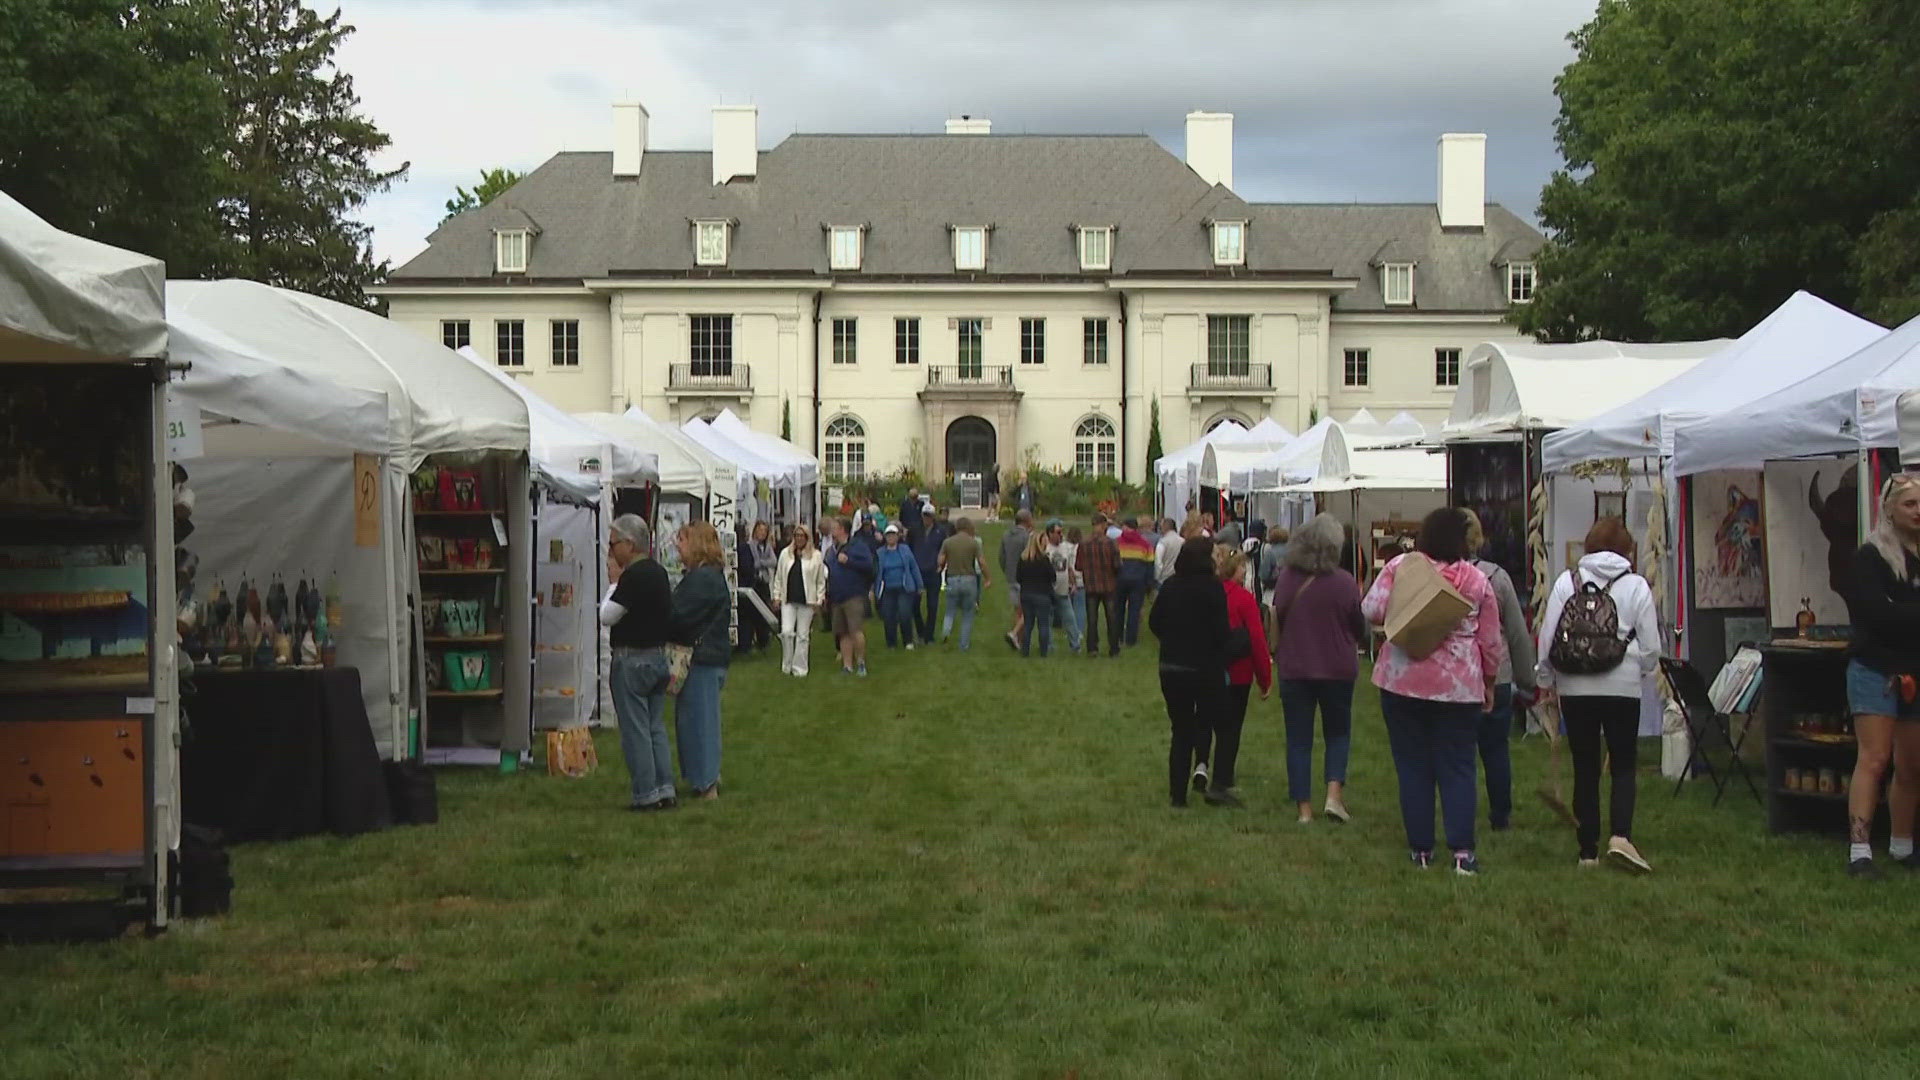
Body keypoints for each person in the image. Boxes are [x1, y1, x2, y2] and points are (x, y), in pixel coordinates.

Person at [1360, 507, 1505, 875]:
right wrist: (1488, 682)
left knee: (1412, 766)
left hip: (1402, 679)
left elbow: (1372, 609)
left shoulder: (1402, 567)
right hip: (1459, 686)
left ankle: (1421, 849)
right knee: (1458, 767)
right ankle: (1462, 852)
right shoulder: (1476, 580)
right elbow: (1490, 640)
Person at [1536, 517, 1663, 872]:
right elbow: (1652, 647)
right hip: (1623, 687)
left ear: (1588, 546)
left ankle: (1587, 850)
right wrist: (1637, 667)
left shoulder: (1568, 581)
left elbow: (1548, 637)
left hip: (1575, 687)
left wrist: (1547, 678)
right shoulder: (1636, 585)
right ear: (1627, 550)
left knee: (1585, 765)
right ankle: (1620, 837)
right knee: (1623, 763)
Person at [1839, 474, 1920, 877]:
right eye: (1910, 504)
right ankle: (1860, 852)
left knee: (1912, 764)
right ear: (1889, 509)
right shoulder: (1869, 557)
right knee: (1874, 758)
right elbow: (1877, 615)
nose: (1919, 511)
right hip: (1874, 667)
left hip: (1915, 669)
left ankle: (1902, 846)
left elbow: (1896, 614)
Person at [1272, 513, 1366, 825]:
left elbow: (1279, 614)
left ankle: (1304, 810)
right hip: (1337, 667)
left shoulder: (1287, 578)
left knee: (1298, 739)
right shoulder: (1345, 582)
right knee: (1338, 732)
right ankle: (1334, 795)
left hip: (1295, 665)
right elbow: (1358, 624)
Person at [1463, 509, 1537, 831]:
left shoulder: (1435, 577)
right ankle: (1500, 815)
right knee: (1495, 750)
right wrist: (1528, 681)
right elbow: (1518, 634)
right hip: (1499, 674)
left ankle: (1460, 811)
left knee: (1458, 753)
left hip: (1454, 677)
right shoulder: (1497, 577)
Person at [600, 515, 676, 810]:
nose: (611, 550)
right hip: (657, 656)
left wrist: (613, 584)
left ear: (629, 545)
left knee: (636, 731)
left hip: (631, 659)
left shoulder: (631, 576)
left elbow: (607, 616)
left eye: (613, 543)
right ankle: (665, 786)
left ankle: (646, 793)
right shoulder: (659, 572)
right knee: (655, 726)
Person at [1150, 536, 1231, 808]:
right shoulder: (1213, 589)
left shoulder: (1171, 586)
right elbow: (1222, 633)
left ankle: (1178, 796)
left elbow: (1154, 622)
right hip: (1203, 668)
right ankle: (1211, 774)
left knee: (1181, 730)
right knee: (1209, 722)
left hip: (1172, 667)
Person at [669, 521, 734, 800]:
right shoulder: (708, 575)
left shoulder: (702, 579)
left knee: (701, 722)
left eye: (682, 540)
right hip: (709, 656)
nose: (677, 546)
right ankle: (703, 777)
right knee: (695, 720)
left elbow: (679, 616)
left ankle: (707, 783)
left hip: (702, 658)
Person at [1206, 544, 1271, 808]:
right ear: (1236, 569)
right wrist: (1264, 677)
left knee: (1215, 724)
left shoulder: (1211, 595)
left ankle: (1217, 773)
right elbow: (1257, 639)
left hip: (1210, 669)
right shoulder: (1244, 600)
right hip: (1239, 672)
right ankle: (1221, 782)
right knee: (1231, 728)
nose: (1245, 571)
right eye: (1243, 566)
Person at [772, 523, 827, 677]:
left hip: (807, 601)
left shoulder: (816, 556)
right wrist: (776, 596)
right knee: (787, 632)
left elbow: (820, 580)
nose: (799, 539)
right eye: (796, 536)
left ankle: (800, 668)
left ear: (807, 538)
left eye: (802, 536)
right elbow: (779, 577)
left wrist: (819, 600)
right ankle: (786, 665)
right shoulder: (785, 554)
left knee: (803, 635)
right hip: (788, 599)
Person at [826, 516, 874, 676]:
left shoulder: (857, 546)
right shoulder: (832, 549)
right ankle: (847, 665)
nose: (831, 530)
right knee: (842, 632)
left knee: (855, 630)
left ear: (842, 529)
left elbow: (869, 566)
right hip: (837, 596)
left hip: (853, 595)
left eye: (834, 527)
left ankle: (860, 662)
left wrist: (849, 561)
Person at [937, 516, 991, 649]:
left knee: (950, 610)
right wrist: (987, 578)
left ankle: (946, 631)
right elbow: (982, 563)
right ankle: (964, 644)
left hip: (952, 578)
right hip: (969, 579)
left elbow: (941, 560)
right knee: (968, 613)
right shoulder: (973, 543)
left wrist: (941, 568)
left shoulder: (948, 542)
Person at [1077, 513, 1122, 658]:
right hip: (1108, 585)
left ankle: (1092, 649)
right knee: (1112, 618)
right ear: (1103, 526)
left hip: (1090, 586)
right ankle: (1114, 649)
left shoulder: (1084, 543)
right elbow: (1117, 565)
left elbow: (1078, 565)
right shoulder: (1111, 543)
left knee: (1092, 619)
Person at [875, 523, 925, 649]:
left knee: (904, 613)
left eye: (893, 535)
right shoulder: (880, 553)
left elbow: (913, 567)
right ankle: (891, 643)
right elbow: (876, 573)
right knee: (888, 616)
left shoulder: (905, 550)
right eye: (888, 536)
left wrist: (919, 585)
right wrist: (873, 589)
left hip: (904, 587)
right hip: (887, 589)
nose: (891, 538)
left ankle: (908, 641)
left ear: (898, 537)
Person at [1015, 529, 1057, 657]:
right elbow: (1053, 577)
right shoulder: (1044, 560)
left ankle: (1025, 651)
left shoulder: (1023, 559)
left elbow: (1018, 577)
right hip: (1042, 595)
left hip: (1026, 595)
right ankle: (1043, 652)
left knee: (1028, 624)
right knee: (1043, 625)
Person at [1116, 516, 1156, 646]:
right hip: (1138, 581)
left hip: (1120, 579)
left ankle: (1118, 637)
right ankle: (1131, 639)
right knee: (1134, 611)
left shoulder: (1116, 543)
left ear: (1125, 527)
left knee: (1119, 610)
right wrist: (1149, 584)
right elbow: (1150, 565)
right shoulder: (1145, 544)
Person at [913, 505, 950, 644]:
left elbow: (945, 549)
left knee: (932, 605)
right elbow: (910, 546)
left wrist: (942, 565)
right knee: (914, 604)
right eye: (924, 515)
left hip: (933, 571)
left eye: (928, 515)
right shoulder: (915, 529)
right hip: (917, 571)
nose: (926, 518)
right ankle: (920, 631)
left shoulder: (940, 531)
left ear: (933, 516)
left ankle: (929, 635)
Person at [1046, 520, 1083, 653]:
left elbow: (1069, 568)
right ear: (1050, 534)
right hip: (1048, 591)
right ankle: (1049, 646)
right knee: (1047, 620)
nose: (1061, 535)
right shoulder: (1045, 549)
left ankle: (1075, 645)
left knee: (1070, 619)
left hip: (1063, 592)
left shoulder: (1065, 548)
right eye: (1058, 532)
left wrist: (1073, 584)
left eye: (1062, 532)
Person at [1001, 509, 1033, 651]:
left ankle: (1018, 640)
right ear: (1027, 521)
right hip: (1025, 578)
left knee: (1018, 611)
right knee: (1029, 609)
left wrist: (1007, 570)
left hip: (1011, 577)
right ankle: (1016, 635)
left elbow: (1001, 557)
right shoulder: (1027, 537)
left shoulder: (1006, 535)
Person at [1259, 525, 1291, 595]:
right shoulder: (1293, 551)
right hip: (1289, 588)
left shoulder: (1270, 553)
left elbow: (1264, 575)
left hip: (1273, 589)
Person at [1155, 516, 1184, 586]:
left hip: (1165, 578)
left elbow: (1158, 563)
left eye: (1160, 527)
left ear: (1165, 527)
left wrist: (1157, 577)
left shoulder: (1162, 542)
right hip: (1180, 577)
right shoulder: (1183, 541)